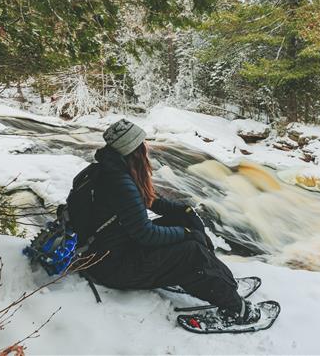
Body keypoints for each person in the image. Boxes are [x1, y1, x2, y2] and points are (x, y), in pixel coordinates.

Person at [86, 119, 259, 324]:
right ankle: (235, 310)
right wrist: (187, 233)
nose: (146, 147)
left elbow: (146, 201)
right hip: (114, 267)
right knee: (191, 249)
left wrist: (184, 211)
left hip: (114, 250)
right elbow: (146, 234)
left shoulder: (112, 170)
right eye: (143, 143)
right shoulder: (120, 183)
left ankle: (215, 277)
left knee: (184, 219)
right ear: (133, 149)